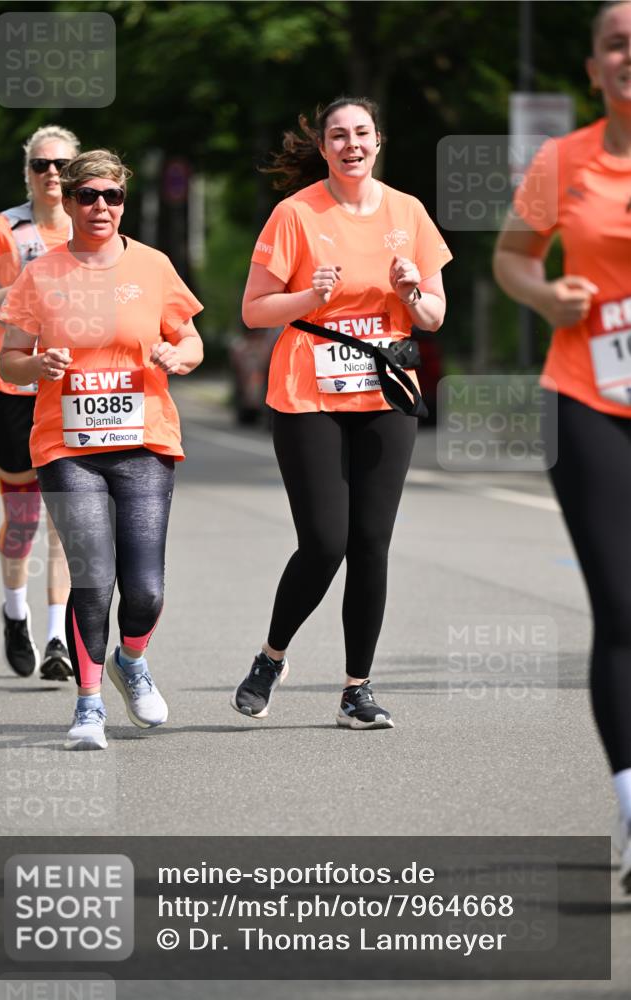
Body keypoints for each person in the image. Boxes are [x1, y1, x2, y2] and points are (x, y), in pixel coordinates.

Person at [231, 97, 452, 729]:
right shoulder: (296, 214)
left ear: (378, 141)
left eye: (361, 133)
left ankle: (358, 688)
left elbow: (434, 316)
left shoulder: (407, 211)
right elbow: (254, 310)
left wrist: (413, 292)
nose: (351, 143)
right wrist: (309, 294)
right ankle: (271, 657)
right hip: (310, 392)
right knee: (325, 541)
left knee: (371, 544)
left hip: (386, 392)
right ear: (324, 147)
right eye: (338, 135)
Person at [0, 149, 204, 750]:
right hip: (68, 445)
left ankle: (130, 661)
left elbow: (188, 340)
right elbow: (10, 360)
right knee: (92, 575)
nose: (100, 207)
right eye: (87, 195)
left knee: (145, 590)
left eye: (111, 196)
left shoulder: (154, 265)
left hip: (145, 440)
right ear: (68, 198)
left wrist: (178, 356)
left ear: (123, 201)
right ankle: (89, 705)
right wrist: (36, 362)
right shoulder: (42, 274)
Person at [493, 0, 631, 892]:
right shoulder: (561, 161)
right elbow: (510, 257)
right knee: (623, 610)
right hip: (586, 399)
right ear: (592, 68)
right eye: (616, 44)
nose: (630, 57)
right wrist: (546, 299)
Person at [0, 125, 79, 681]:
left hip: (72, 390)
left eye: (61, 164)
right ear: (28, 172)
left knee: (63, 517)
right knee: (23, 520)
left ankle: (57, 637)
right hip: (11, 390)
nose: (52, 173)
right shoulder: (1, 230)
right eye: (41, 164)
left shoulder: (93, 227)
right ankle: (16, 614)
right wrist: (5, 295)